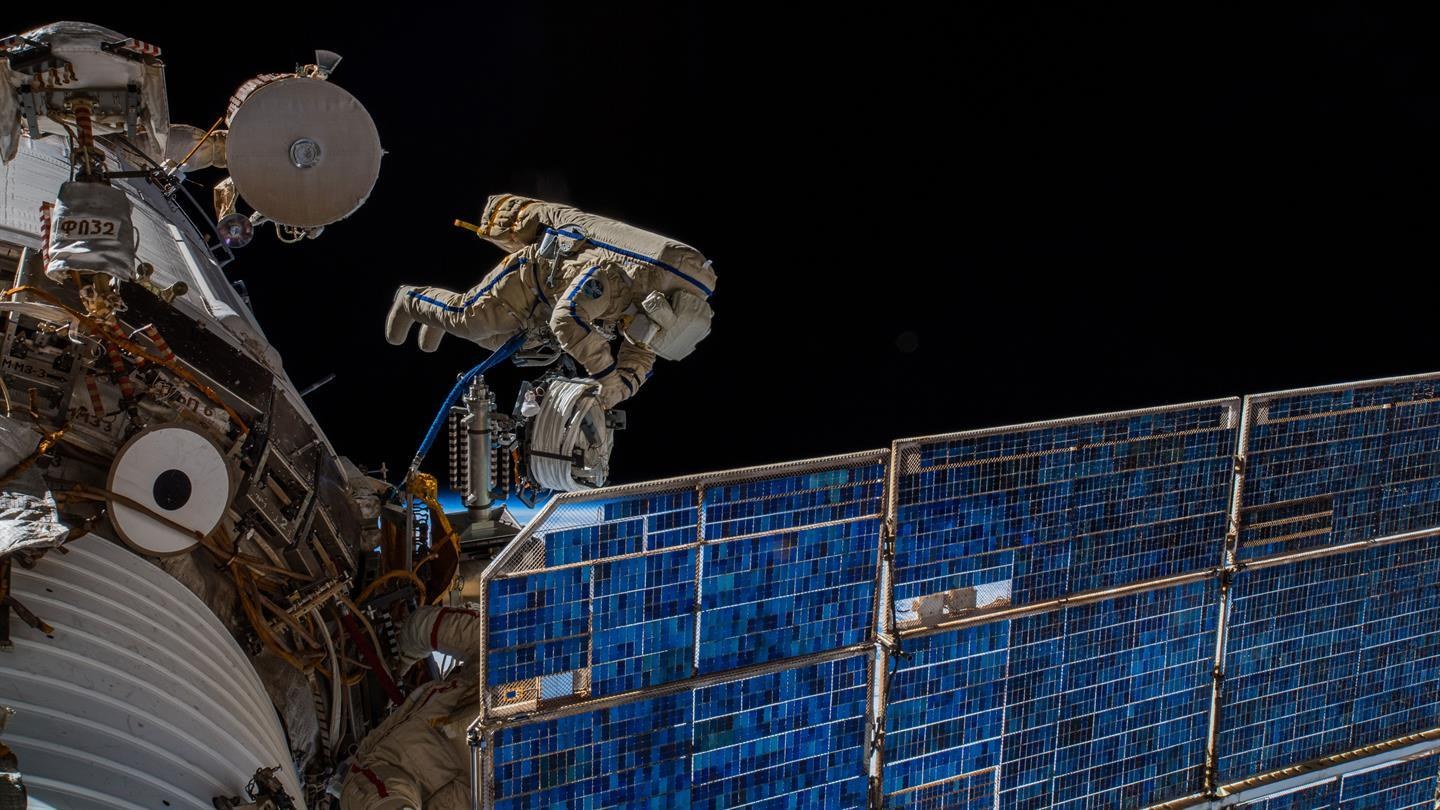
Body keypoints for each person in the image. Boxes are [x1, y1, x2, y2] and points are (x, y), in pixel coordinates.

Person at [384, 195, 716, 409]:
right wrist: (603, 373)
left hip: (552, 297)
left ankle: (439, 318)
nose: (644, 339)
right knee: (474, 320)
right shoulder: (612, 281)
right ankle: (412, 299)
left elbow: (639, 359)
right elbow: (567, 318)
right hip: (532, 276)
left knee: (504, 343)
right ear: (658, 308)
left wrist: (615, 391)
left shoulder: (653, 323)